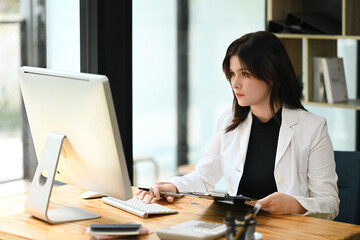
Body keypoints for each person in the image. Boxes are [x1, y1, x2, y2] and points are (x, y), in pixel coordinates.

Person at [137, 31, 339, 220]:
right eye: (232, 74)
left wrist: (295, 205)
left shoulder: (313, 128)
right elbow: (204, 176)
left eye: (245, 74)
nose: (235, 83)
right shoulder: (230, 119)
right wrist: (174, 185)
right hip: (236, 224)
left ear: (271, 75)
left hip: (286, 230)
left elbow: (330, 204)